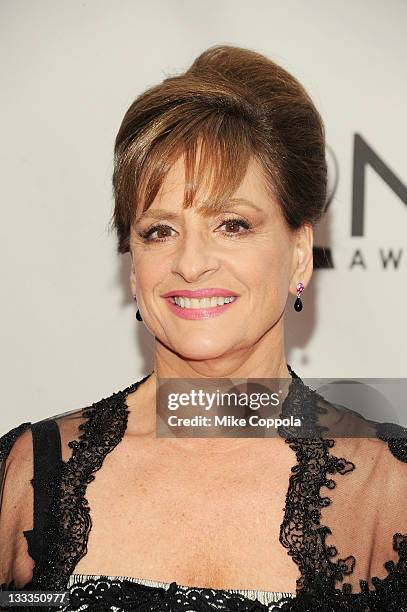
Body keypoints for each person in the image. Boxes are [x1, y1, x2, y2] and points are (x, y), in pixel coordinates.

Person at [0, 44, 406, 612]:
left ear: (298, 253)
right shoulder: (27, 475)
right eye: (159, 230)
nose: (190, 263)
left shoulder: (389, 491)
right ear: (133, 262)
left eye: (232, 225)